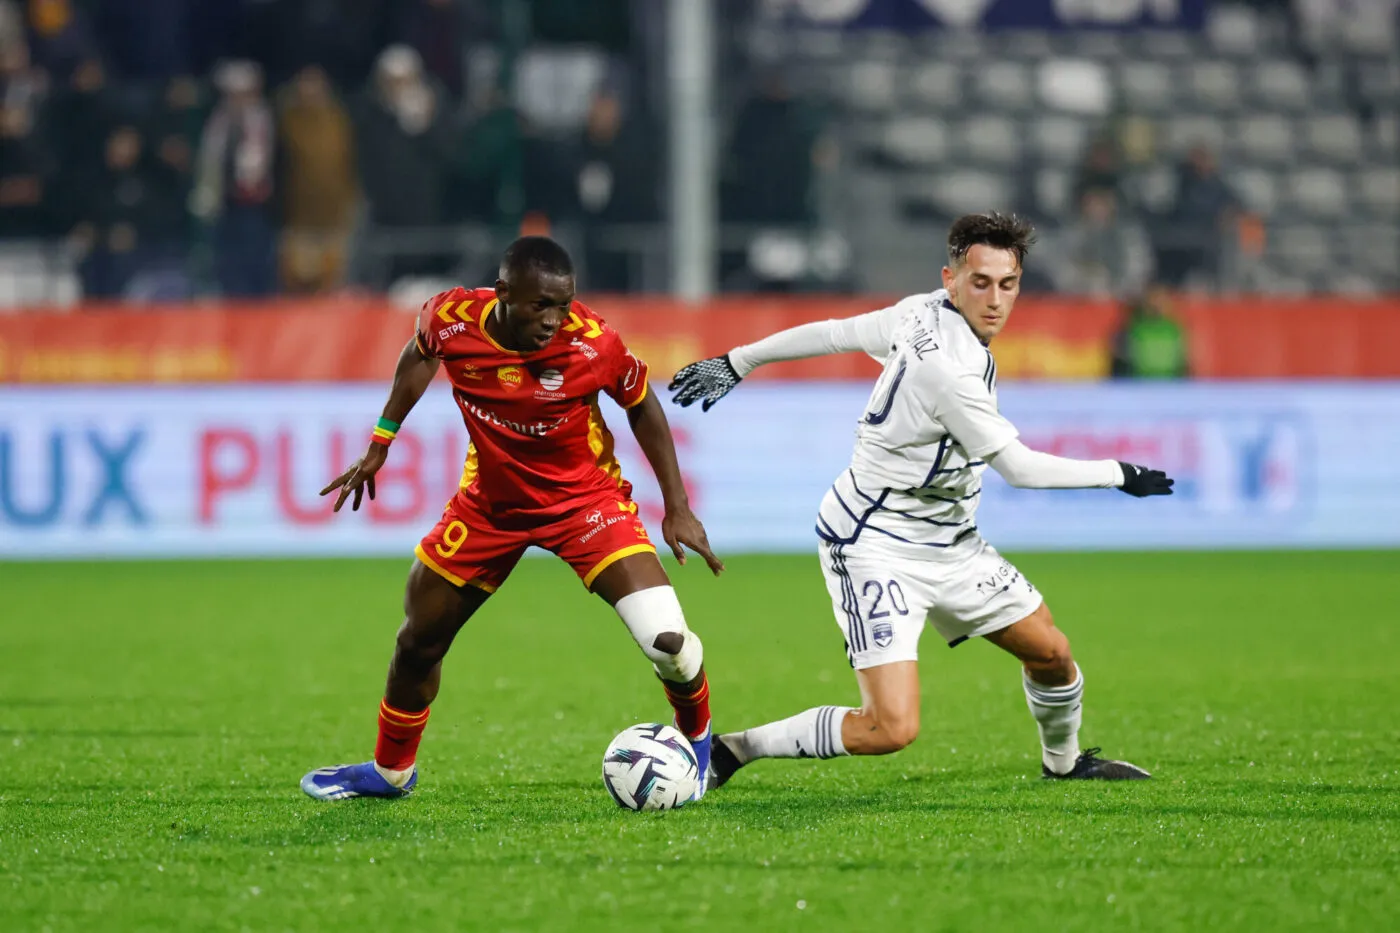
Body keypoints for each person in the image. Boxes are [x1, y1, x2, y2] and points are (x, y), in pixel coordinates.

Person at [669, 212, 1173, 788]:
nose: (995, 300)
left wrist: (739, 360)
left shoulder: (920, 313)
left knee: (1052, 654)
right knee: (889, 728)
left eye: (1007, 284)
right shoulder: (949, 371)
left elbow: (834, 333)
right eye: (980, 282)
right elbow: (1020, 468)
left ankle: (1064, 764)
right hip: (876, 544)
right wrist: (1119, 472)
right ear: (951, 279)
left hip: (950, 541)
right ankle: (736, 749)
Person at [302, 236, 724, 801]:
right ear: (502, 293)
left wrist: (677, 505)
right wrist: (382, 440)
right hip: (490, 508)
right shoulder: (451, 318)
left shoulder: (593, 343)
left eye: (563, 305)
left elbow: (642, 403)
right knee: (418, 641)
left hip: (585, 504)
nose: (553, 320)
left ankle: (697, 747)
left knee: (668, 641)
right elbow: (421, 354)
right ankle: (390, 772)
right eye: (540, 305)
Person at [1110, 286, 1190, 380]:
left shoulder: (1174, 328)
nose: (1156, 305)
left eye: (1160, 301)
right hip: (1141, 381)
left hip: (1170, 381)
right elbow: (1123, 355)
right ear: (1145, 303)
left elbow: (1183, 357)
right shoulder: (1135, 327)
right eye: (1153, 300)